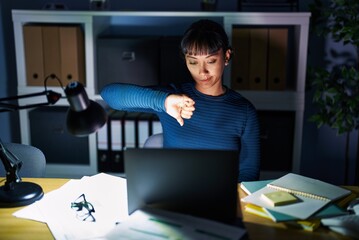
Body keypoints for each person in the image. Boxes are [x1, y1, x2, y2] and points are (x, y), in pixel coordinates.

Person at [101, 19, 260, 182]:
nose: (202, 71)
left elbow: (249, 171)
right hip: (173, 193)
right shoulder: (173, 97)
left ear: (226, 56)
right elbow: (109, 94)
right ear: (185, 60)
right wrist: (164, 101)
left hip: (221, 198)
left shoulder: (244, 111)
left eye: (211, 61)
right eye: (193, 62)